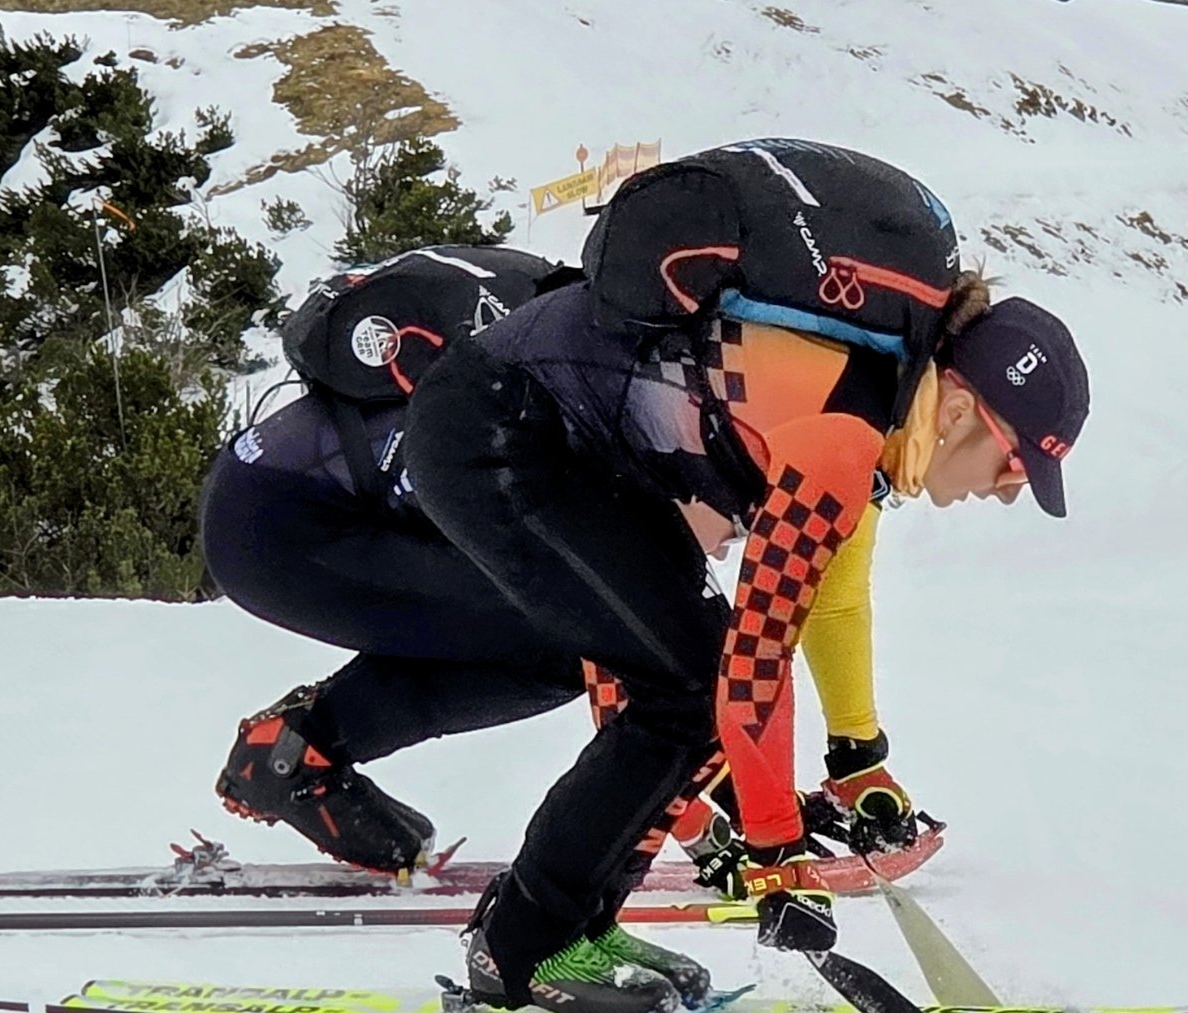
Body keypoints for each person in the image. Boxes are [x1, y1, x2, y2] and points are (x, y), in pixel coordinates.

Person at [398, 139, 1092, 1013]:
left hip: (541, 433)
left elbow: (710, 655)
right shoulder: (844, 424)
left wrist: (744, 820)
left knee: (680, 682)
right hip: (495, 428)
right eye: (1011, 465)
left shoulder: (864, 396)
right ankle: (524, 946)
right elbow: (758, 658)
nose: (1004, 492)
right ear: (957, 408)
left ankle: (571, 926)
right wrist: (777, 851)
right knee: (688, 681)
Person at [200, 244, 919, 888]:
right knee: (564, 633)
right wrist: (702, 822)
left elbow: (830, 597)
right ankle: (300, 750)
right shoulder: (653, 411)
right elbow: (626, 655)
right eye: (743, 517)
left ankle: (302, 747)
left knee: (561, 642)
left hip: (292, 499)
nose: (740, 534)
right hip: (284, 524)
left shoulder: (756, 396)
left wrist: (850, 754)